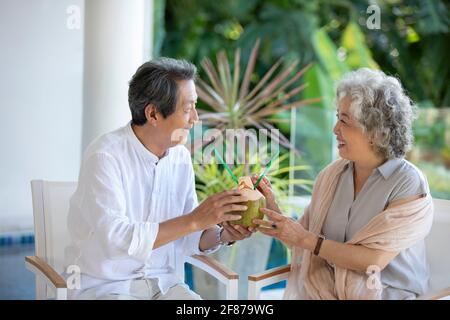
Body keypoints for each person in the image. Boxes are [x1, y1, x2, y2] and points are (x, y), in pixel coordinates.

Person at [64, 58, 253, 300]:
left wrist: (223, 234)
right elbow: (116, 241)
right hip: (107, 289)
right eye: (187, 109)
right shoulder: (105, 156)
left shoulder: (180, 158)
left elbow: (186, 238)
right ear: (152, 113)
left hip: (166, 287)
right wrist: (195, 220)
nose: (195, 118)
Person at [252, 68, 433, 300]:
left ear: (375, 131)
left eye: (344, 121)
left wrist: (303, 238)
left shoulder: (407, 182)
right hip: (329, 292)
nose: (335, 129)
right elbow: (304, 239)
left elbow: (372, 261)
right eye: (338, 118)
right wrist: (272, 208)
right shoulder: (331, 176)